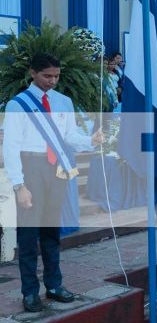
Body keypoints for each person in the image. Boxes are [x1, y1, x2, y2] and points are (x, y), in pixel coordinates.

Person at [3, 53, 103, 312]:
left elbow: (69, 135)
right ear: (32, 73)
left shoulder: (63, 102)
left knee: (51, 233)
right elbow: (11, 148)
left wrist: (90, 141)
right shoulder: (18, 105)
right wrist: (19, 185)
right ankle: (29, 292)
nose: (52, 81)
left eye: (56, 76)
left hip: (55, 170)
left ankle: (54, 285)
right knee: (28, 236)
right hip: (31, 169)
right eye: (47, 76)